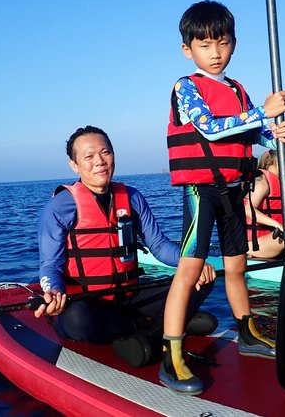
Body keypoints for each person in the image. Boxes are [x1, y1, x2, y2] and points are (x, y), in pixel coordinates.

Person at [162, 0, 285, 394]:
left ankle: (248, 333)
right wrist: (262, 113)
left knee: (237, 266)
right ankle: (172, 354)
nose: (215, 52)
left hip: (235, 188)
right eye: (204, 45)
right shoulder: (185, 87)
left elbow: (255, 134)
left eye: (222, 43)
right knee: (189, 270)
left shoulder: (237, 90)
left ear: (233, 43)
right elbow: (209, 128)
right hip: (201, 191)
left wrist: (278, 135)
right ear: (188, 50)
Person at [36, 125, 217, 368]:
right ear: (74, 165)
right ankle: (160, 324)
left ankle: (147, 335)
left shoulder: (132, 197)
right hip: (89, 301)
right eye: (89, 156)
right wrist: (54, 292)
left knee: (201, 279)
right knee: (77, 321)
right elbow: (50, 265)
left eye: (105, 152)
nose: (100, 161)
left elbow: (159, 245)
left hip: (131, 294)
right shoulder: (59, 207)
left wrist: (192, 264)